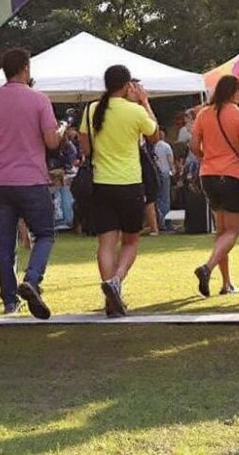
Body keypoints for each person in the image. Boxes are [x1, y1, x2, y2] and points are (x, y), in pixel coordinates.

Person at [0, 48, 69, 319]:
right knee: (45, 233)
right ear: (26, 69)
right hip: (30, 178)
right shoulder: (39, 100)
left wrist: (2, 144)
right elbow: (51, 141)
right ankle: (33, 279)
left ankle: (9, 300)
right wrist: (60, 130)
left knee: (5, 243)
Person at [79, 65, 159, 317]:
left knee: (106, 243)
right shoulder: (135, 111)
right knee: (131, 241)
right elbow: (155, 135)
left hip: (101, 184)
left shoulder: (91, 109)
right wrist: (144, 102)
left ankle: (110, 300)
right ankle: (116, 282)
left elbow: (85, 148)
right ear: (127, 86)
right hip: (129, 184)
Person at [190, 74, 239, 297]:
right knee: (233, 231)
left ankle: (226, 283)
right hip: (232, 176)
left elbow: (193, 146)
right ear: (234, 92)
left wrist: (208, 155)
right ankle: (207, 268)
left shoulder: (203, 114)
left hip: (208, 174)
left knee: (221, 232)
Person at [152, 133, 175, 233]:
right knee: (165, 198)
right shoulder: (166, 146)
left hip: (156, 174)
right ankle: (166, 222)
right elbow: (170, 159)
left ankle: (158, 222)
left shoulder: (153, 147)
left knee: (157, 198)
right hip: (165, 173)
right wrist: (173, 169)